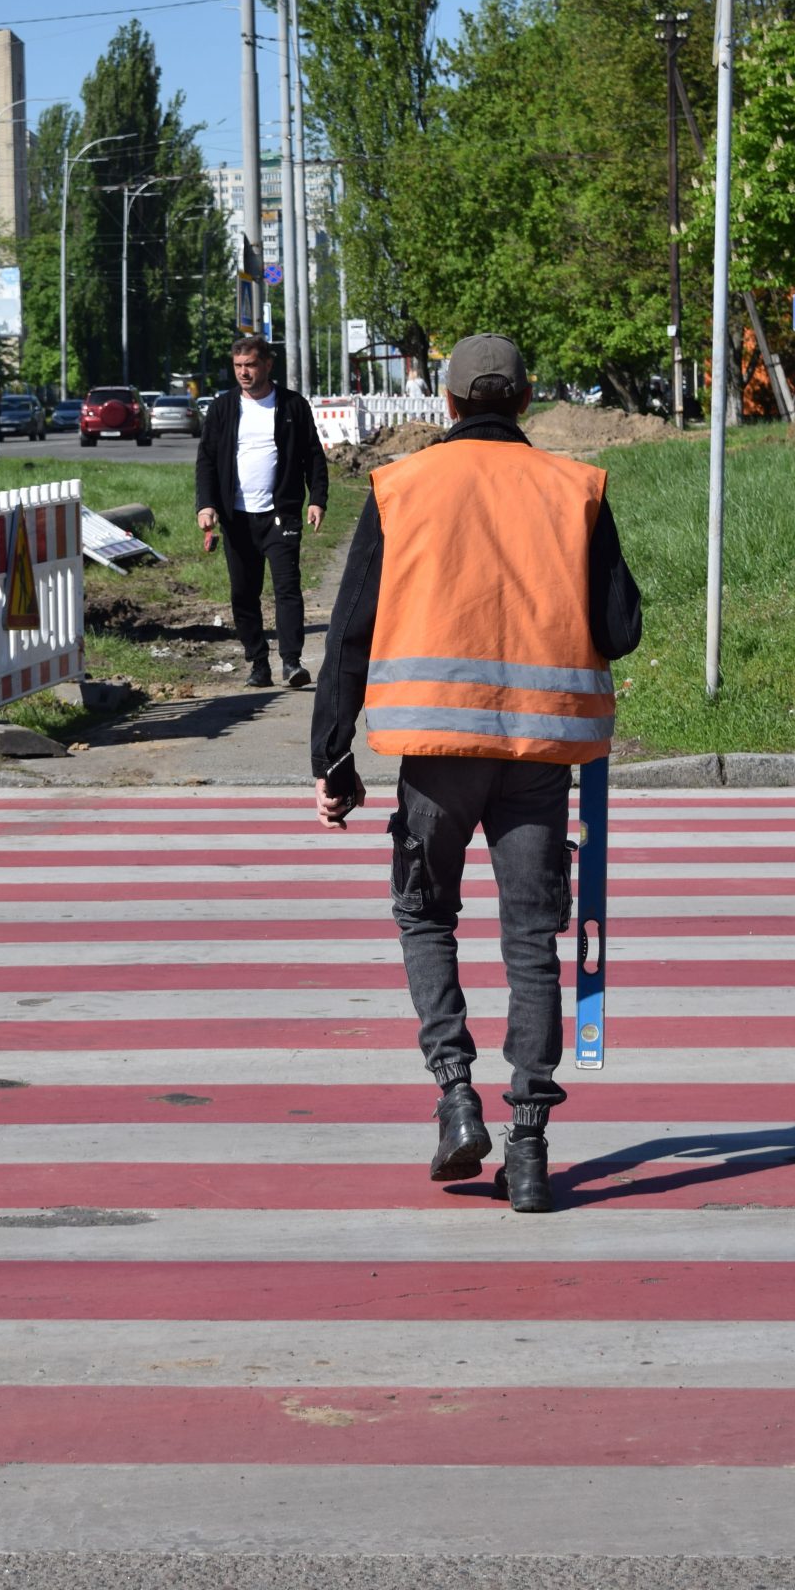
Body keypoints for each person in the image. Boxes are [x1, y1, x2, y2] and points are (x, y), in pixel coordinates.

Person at [309, 334, 642, 1214]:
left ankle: (455, 1095)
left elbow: (348, 633)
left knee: (425, 913)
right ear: (525, 400)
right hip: (538, 757)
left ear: (448, 404)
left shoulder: (401, 488)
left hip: (435, 763)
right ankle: (528, 1146)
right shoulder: (576, 490)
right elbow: (622, 627)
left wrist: (333, 760)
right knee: (531, 943)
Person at [195, 335, 328, 688]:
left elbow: (313, 455)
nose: (244, 372)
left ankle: (292, 662)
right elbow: (206, 459)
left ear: (267, 364)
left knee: (287, 588)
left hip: (279, 513)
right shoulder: (223, 408)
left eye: (250, 365)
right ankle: (258, 663)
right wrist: (206, 505)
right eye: (238, 366)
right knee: (243, 592)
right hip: (237, 517)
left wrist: (317, 499)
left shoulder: (292, 406)